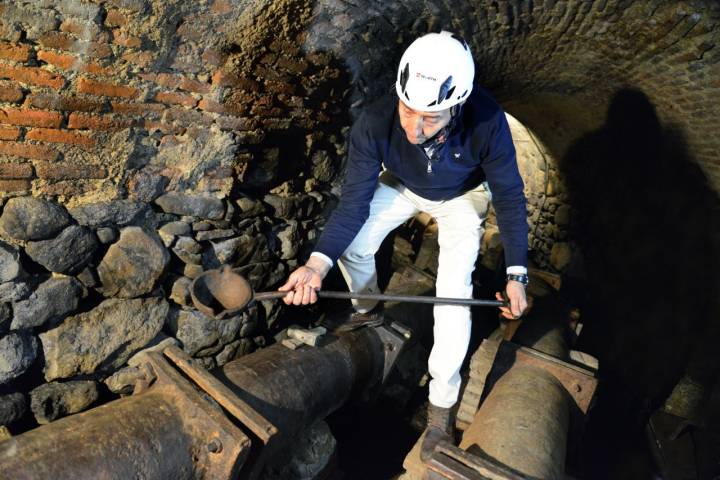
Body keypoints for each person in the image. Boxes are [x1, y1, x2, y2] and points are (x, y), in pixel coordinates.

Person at [279, 31, 529, 461]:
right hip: (401, 185)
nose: (414, 128)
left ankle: (441, 409)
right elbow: (353, 203)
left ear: (457, 106)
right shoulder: (375, 122)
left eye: (431, 118)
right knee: (354, 247)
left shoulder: (488, 122)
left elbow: (508, 196)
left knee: (453, 297)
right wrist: (316, 265)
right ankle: (368, 309)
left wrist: (516, 274)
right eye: (408, 110)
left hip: (462, 197)